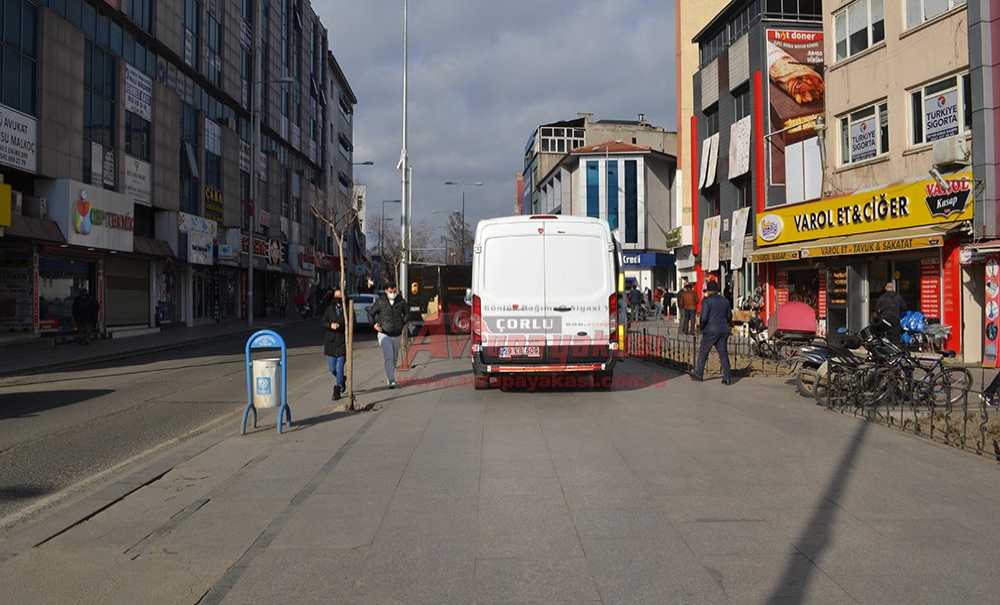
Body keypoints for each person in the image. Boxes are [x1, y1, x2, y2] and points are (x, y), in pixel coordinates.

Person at [691, 280, 733, 385]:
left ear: (709, 291)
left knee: (703, 352)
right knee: (723, 354)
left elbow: (704, 318)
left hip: (710, 331)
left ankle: (698, 374)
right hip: (723, 330)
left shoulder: (707, 301)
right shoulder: (725, 301)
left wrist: (701, 327)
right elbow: (729, 316)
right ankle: (727, 377)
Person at [369, 283, 408, 388]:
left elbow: (407, 313)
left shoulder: (401, 301)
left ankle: (390, 374)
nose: (393, 294)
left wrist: (402, 323)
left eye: (394, 291)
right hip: (384, 333)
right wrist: (374, 325)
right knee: (389, 357)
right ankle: (391, 380)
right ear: (386, 291)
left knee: (394, 358)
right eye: (391, 292)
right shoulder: (380, 301)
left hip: (397, 334)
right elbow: (371, 313)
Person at [323, 288, 348, 401]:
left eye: (340, 297)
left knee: (339, 367)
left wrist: (341, 326)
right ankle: (342, 379)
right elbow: (323, 322)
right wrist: (330, 325)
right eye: (336, 297)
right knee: (332, 369)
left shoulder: (347, 309)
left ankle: (338, 389)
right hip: (331, 343)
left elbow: (353, 323)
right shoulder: (329, 309)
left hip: (342, 342)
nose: (338, 299)